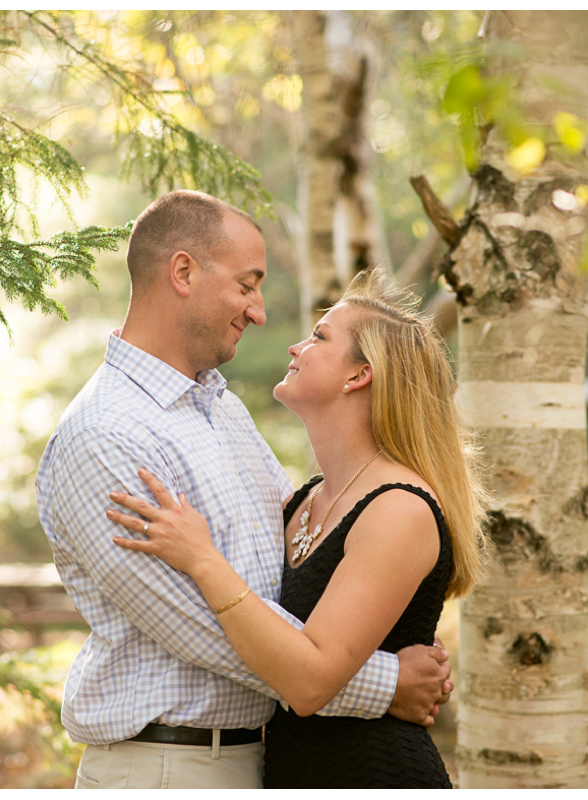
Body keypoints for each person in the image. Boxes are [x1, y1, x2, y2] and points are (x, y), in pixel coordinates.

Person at [34, 190, 454, 789]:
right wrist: (384, 684)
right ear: (183, 272)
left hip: (265, 761)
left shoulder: (222, 410)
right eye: (247, 284)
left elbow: (294, 571)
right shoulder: (106, 434)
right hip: (168, 769)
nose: (259, 312)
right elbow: (199, 628)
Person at [108, 267, 488, 788]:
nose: (295, 345)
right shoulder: (304, 499)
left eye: (319, 337)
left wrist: (202, 559)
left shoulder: (400, 509)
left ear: (360, 375)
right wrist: (392, 679)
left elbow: (310, 682)